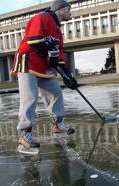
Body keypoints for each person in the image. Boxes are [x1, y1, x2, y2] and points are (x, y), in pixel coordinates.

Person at [10, 0, 78, 154]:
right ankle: (24, 134)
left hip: (45, 67)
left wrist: (67, 74)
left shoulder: (58, 30)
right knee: (30, 98)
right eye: (69, 9)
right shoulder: (42, 17)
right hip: (28, 63)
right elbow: (33, 40)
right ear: (60, 9)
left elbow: (59, 54)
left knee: (55, 93)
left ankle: (57, 124)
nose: (70, 12)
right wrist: (47, 42)